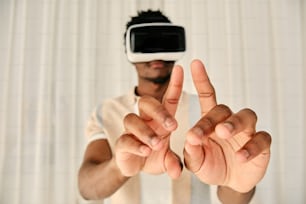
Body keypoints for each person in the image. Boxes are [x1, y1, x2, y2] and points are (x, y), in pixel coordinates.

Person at [78, 10, 271, 204]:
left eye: (164, 43)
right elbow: (86, 188)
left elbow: (233, 201)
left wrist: (236, 182)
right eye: (146, 43)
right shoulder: (105, 112)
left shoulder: (205, 114)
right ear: (129, 52)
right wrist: (118, 167)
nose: (156, 53)